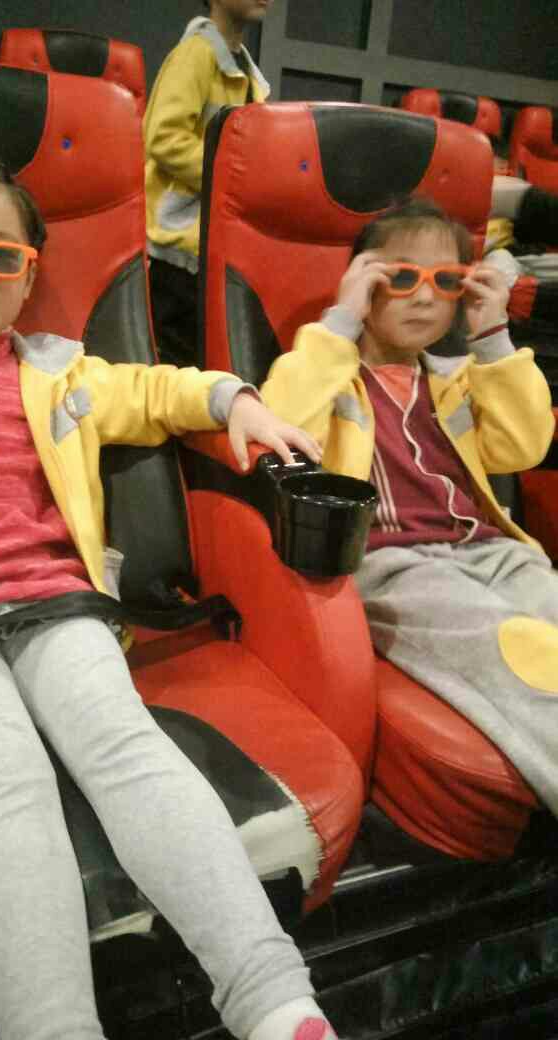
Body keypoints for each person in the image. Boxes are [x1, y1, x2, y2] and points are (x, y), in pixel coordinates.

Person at [0, 153, 339, 1040]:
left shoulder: (61, 370)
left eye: (2, 256)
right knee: (2, 771)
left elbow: (157, 390)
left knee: (125, 744)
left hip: (55, 605)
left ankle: (276, 1001)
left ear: (31, 273)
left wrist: (236, 400)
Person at [261, 196, 558, 820]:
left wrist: (493, 336)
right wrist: (340, 321)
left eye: (445, 281)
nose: (424, 297)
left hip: (491, 551)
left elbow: (523, 448)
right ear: (363, 282)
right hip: (394, 563)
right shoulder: (332, 373)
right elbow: (281, 423)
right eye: (401, 277)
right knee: (518, 648)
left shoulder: (457, 377)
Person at [144, 0, 272, 367]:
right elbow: (163, 138)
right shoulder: (196, 54)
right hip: (176, 253)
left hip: (212, 247)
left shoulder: (247, 72)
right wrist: (233, 177)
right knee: (177, 367)